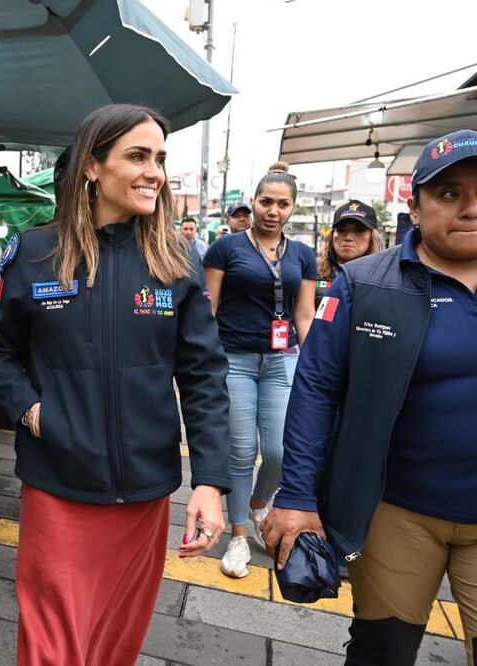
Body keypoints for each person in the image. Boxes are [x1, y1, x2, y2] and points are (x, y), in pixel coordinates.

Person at [0, 104, 230, 666]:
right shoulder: (36, 254)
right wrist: (30, 410)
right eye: (137, 156)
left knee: (116, 645)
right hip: (58, 478)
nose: (154, 172)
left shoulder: (177, 259)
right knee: (53, 647)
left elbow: (204, 376)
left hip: (144, 489)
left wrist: (211, 482)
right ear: (92, 166)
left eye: (160, 158)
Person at [263, 130, 477, 666]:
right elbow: (316, 388)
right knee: (383, 650)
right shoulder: (364, 285)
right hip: (395, 510)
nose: (470, 208)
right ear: (415, 204)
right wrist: (297, 495)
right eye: (449, 193)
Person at [202, 162, 317, 579]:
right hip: (234, 358)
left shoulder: (302, 255)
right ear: (253, 203)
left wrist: (314, 365)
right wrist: (204, 359)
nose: (273, 210)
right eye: (266, 201)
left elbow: (304, 316)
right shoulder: (227, 248)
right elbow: (208, 308)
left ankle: (255, 505)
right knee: (239, 451)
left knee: (282, 451)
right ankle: (236, 536)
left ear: (292, 208)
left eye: (282, 204)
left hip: (283, 361)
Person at [315, 199, 384, 305]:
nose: (348, 238)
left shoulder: (385, 277)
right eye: (341, 230)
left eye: (359, 230)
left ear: (373, 237)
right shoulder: (312, 271)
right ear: (332, 235)